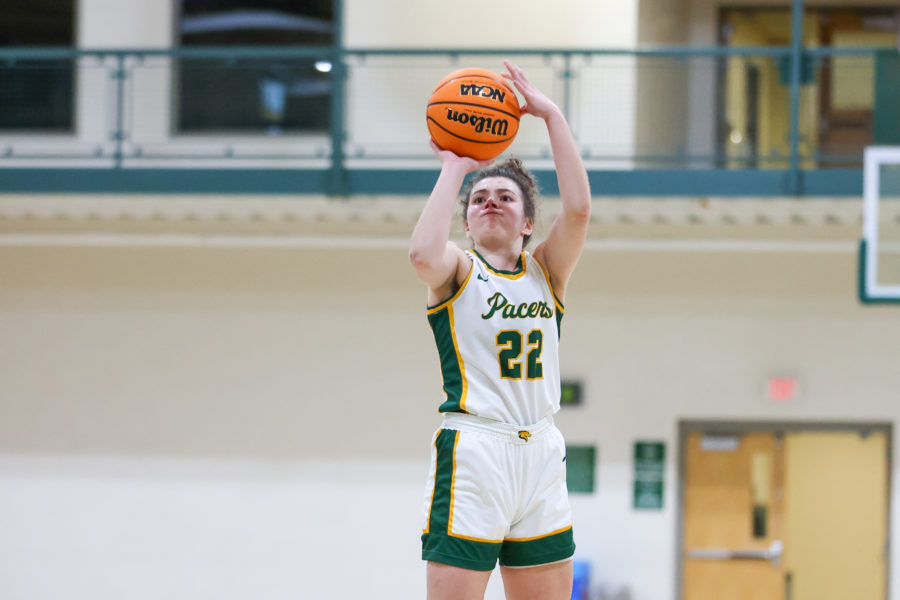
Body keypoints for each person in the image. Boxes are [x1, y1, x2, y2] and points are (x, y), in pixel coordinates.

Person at [409, 60, 591, 600]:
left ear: (528, 221)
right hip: (475, 448)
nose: (490, 201)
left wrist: (552, 114)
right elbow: (420, 253)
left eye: (505, 197)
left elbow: (579, 210)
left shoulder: (547, 271)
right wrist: (454, 168)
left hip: (540, 448)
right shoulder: (458, 270)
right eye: (479, 199)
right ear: (467, 222)